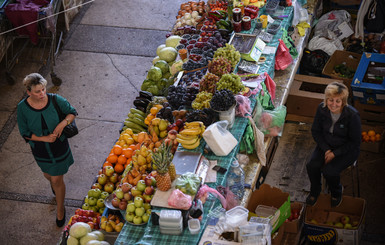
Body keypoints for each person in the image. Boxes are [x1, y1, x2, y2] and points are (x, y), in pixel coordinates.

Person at [17, 73, 77, 227]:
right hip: (40, 149)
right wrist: (43, 139)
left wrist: (61, 124)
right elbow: (24, 131)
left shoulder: (56, 100)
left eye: (43, 89)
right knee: (47, 175)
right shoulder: (22, 108)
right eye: (37, 91)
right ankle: (56, 189)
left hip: (59, 146)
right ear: (29, 92)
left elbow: (72, 112)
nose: (42, 93)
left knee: (57, 179)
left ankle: (60, 210)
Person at [306, 82, 361, 207]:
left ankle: (336, 192)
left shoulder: (352, 116)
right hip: (326, 145)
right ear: (326, 99)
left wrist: (335, 154)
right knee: (312, 166)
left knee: (329, 172)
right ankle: (315, 190)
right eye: (331, 100)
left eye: (338, 101)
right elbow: (316, 131)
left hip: (346, 150)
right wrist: (326, 150)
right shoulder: (321, 109)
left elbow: (355, 142)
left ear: (344, 101)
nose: (334, 104)